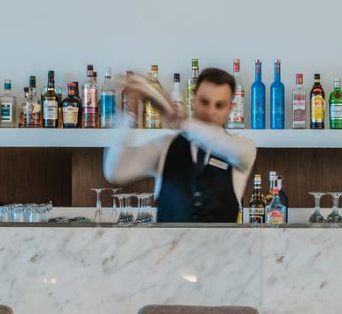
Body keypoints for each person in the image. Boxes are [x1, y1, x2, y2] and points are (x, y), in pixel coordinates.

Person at [104, 67, 256, 223]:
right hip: (168, 240)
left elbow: (224, 145)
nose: (210, 111)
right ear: (193, 100)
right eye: (204, 102)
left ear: (231, 108)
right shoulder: (164, 145)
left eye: (220, 105)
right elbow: (115, 172)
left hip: (224, 241)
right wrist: (128, 117)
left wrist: (182, 123)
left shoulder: (243, 147)